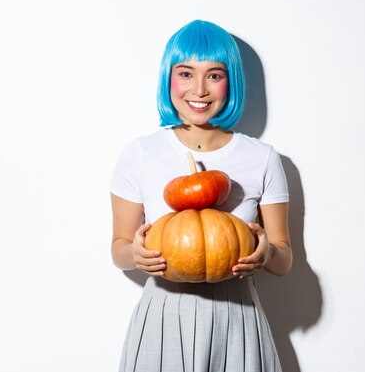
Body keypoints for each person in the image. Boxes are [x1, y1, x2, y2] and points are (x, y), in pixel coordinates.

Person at [110, 19, 293, 372]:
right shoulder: (139, 154)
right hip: (163, 314)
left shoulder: (262, 158)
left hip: (237, 315)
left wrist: (266, 251)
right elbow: (118, 248)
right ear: (169, 78)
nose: (199, 90)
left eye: (213, 75)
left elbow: (285, 260)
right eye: (185, 73)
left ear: (230, 81)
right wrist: (134, 252)